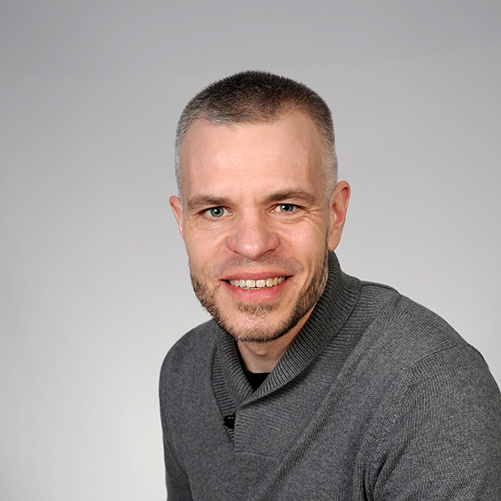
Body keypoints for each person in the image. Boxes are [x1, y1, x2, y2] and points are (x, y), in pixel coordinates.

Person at [160, 71, 501, 500]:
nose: (252, 244)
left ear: (335, 215)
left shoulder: (428, 386)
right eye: (215, 211)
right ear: (182, 223)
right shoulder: (183, 370)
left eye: (286, 206)